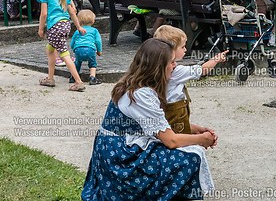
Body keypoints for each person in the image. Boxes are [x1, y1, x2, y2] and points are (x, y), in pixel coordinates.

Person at [81, 38, 216, 200]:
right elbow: (170, 140)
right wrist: (201, 139)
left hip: (120, 147)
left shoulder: (134, 83)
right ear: (158, 67)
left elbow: (156, 125)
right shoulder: (141, 94)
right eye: (171, 62)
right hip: (122, 157)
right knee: (189, 158)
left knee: (188, 153)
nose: (175, 66)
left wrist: (194, 129)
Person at [154, 25, 228, 133]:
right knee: (181, 136)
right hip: (175, 110)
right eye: (182, 47)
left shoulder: (158, 66)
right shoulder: (176, 71)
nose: (185, 49)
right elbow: (202, 70)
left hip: (164, 108)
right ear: (172, 50)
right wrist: (216, 59)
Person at [37, 0, 86, 91]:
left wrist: (41, 29)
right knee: (50, 49)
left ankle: (78, 81)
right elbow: (72, 12)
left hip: (54, 27)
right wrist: (78, 27)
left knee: (64, 54)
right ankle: (50, 78)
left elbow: (44, 14)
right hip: (65, 25)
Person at [70, 9, 102, 85]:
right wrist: (99, 51)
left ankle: (74, 76)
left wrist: (73, 48)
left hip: (78, 49)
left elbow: (72, 42)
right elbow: (98, 41)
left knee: (77, 63)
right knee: (92, 63)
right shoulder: (94, 31)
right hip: (90, 49)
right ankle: (92, 77)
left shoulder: (78, 31)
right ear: (93, 21)